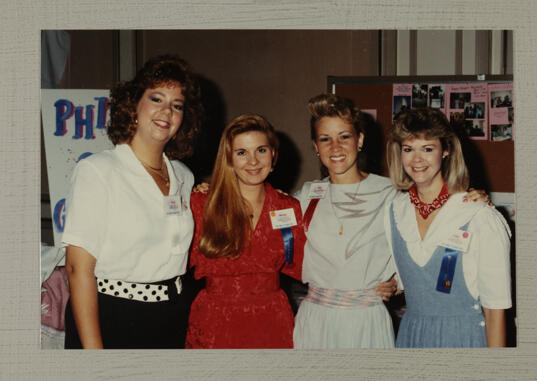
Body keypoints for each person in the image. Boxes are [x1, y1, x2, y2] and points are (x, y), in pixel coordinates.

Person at [62, 54, 203, 349]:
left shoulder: (184, 176)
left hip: (174, 314)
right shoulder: (98, 171)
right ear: (133, 105)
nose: (167, 111)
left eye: (177, 105)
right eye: (156, 99)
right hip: (113, 315)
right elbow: (78, 269)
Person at [385, 108, 511, 347]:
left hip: (463, 338)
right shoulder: (393, 211)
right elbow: (402, 276)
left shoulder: (479, 216)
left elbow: (495, 312)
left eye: (428, 149)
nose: (417, 160)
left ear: (446, 151)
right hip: (411, 336)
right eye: (408, 149)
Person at [185, 113, 305, 349]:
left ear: (274, 155)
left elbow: (308, 265)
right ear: (229, 159)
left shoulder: (288, 207)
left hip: (272, 322)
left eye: (261, 150)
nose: (253, 161)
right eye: (242, 153)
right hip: (215, 323)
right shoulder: (201, 204)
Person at [292, 94, 399, 348]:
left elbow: (424, 237)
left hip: (366, 319)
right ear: (315, 147)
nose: (335, 147)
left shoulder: (390, 194)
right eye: (325, 139)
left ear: (359, 139)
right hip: (317, 320)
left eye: (344, 136)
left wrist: (398, 283)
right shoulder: (307, 195)